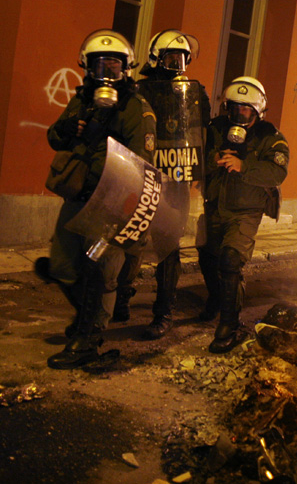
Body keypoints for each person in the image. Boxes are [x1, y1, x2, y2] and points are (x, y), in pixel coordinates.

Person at [40, 29, 156, 370]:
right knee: (63, 266)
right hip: (78, 197)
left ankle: (89, 338)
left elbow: (141, 163)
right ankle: (86, 318)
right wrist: (72, 129)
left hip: (110, 201)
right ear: (87, 67)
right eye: (100, 65)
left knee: (98, 271)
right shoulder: (82, 99)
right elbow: (54, 136)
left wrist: (107, 141)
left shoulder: (136, 108)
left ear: (127, 69)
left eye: (114, 66)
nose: (107, 73)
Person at [112, 29, 211, 340]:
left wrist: (200, 166)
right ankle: (120, 297)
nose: (177, 64)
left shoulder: (195, 93)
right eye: (170, 58)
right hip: (142, 175)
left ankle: (163, 311)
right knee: (130, 239)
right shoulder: (138, 91)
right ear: (156, 57)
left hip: (175, 179)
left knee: (169, 248)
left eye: (181, 59)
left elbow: (201, 132)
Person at [199, 76, 288, 354]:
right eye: (235, 108)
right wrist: (213, 160)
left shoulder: (270, 137)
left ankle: (230, 325)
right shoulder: (216, 128)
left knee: (230, 260)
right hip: (215, 205)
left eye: (246, 110)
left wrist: (243, 165)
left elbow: (277, 172)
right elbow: (198, 153)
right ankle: (216, 299)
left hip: (246, 211)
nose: (240, 115)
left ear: (258, 112)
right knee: (207, 256)